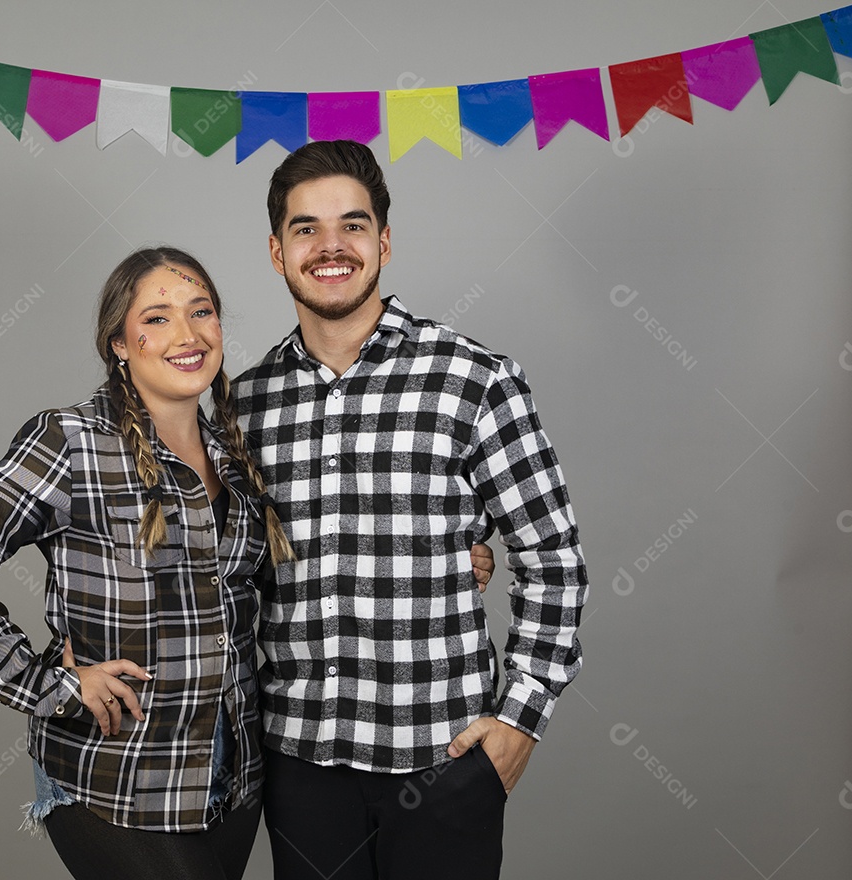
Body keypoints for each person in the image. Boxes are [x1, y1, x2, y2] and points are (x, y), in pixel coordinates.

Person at [232, 140, 589, 880]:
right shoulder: (243, 405)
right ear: (276, 250)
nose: (331, 246)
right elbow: (228, 568)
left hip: (445, 761)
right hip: (298, 766)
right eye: (306, 229)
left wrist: (521, 715)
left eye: (353, 225)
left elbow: (554, 559)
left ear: (384, 241)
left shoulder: (474, 379)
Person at [0, 247, 294, 880]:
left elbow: (279, 588)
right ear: (119, 341)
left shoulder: (238, 451)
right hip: (116, 775)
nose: (188, 335)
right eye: (158, 318)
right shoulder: (72, 440)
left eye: (202, 312)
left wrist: (443, 554)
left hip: (231, 773)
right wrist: (46, 686)